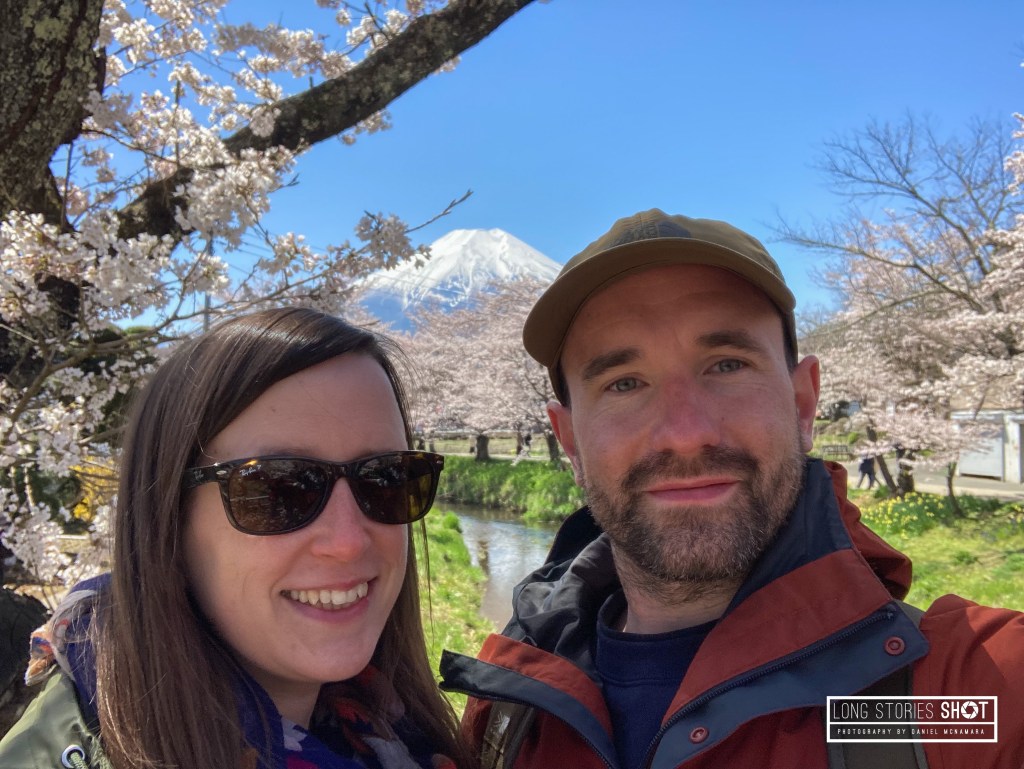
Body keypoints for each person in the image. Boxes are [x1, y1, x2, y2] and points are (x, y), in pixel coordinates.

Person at [440, 210, 1024, 769]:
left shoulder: (975, 694)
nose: (685, 433)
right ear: (569, 440)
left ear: (803, 403)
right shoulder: (508, 708)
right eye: (624, 383)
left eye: (726, 365)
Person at [1, 308, 473, 769]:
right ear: (169, 522)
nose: (347, 541)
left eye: (387, 478)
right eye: (279, 489)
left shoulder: (403, 734)